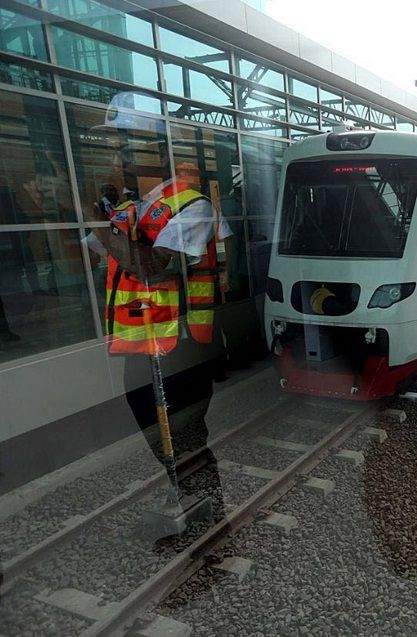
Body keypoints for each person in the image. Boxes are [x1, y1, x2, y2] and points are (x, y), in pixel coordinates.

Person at [82, 92, 231, 520]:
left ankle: (206, 509)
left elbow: (153, 268)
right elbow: (84, 255)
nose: (119, 153)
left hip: (181, 345)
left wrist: (96, 220)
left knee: (184, 435)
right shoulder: (129, 209)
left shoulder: (192, 206)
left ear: (156, 149)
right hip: (139, 344)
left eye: (128, 142)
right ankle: (183, 492)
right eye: (117, 144)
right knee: (156, 432)